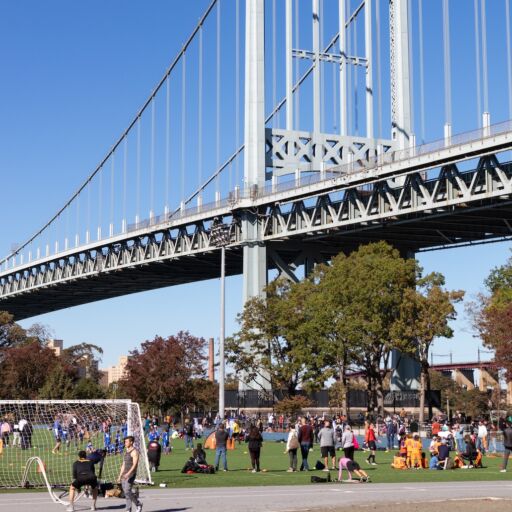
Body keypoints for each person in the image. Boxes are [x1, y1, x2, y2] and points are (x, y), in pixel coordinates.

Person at [118, 436, 143, 512]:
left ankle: (138, 504)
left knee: (127, 490)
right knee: (126, 493)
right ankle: (128, 509)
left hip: (131, 474)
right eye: (125, 441)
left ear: (131, 442)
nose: (125, 443)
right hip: (124, 474)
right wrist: (120, 476)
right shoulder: (126, 451)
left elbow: (135, 464)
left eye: (126, 441)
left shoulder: (134, 452)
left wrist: (128, 473)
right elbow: (124, 464)